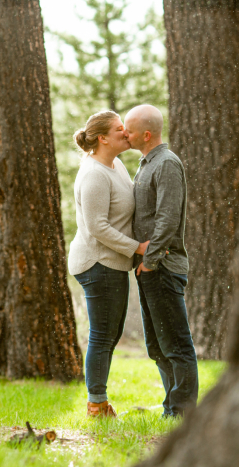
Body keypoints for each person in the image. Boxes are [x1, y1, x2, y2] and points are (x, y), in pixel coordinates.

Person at [69, 110, 149, 418]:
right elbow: (97, 227)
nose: (126, 134)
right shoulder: (94, 174)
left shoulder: (115, 164)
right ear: (103, 138)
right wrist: (138, 247)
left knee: (110, 333)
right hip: (96, 263)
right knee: (103, 334)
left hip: (113, 262)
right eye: (119, 130)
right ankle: (96, 405)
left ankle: (98, 400)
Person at [123, 104, 199, 417]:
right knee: (156, 346)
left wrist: (151, 261)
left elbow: (168, 218)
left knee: (176, 345)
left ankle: (181, 415)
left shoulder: (166, 163)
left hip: (162, 266)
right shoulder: (146, 164)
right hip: (149, 269)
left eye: (128, 129)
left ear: (147, 134)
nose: (124, 134)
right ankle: (171, 407)